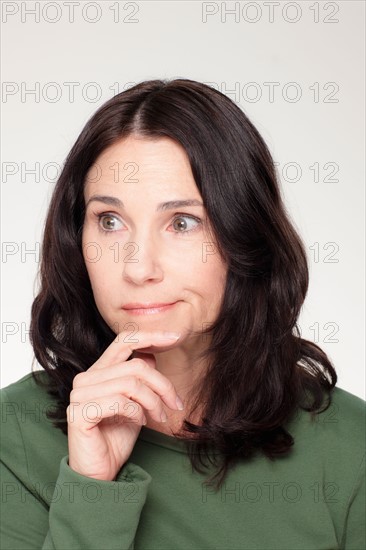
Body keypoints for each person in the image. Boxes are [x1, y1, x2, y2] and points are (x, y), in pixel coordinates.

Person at [0, 78, 364, 550]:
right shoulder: (14, 434)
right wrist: (91, 488)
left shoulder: (350, 447)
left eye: (182, 223)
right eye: (109, 222)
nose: (137, 267)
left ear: (245, 236)